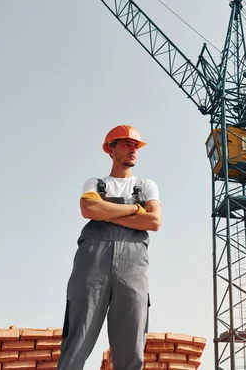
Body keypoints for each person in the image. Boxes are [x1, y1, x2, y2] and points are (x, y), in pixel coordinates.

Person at [57, 125, 162, 370]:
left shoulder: (147, 186)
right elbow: (89, 209)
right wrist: (136, 210)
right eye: (126, 144)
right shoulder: (95, 182)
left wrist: (106, 212)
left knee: (131, 344)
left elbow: (154, 221)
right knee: (77, 338)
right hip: (92, 261)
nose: (133, 149)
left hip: (133, 267)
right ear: (110, 149)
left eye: (136, 145)